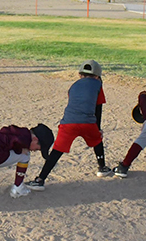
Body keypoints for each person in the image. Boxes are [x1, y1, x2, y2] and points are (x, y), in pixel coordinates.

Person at [26, 60, 112, 191]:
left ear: (79, 75)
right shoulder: (98, 85)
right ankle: (102, 168)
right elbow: (97, 109)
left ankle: (40, 180)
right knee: (97, 140)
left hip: (68, 123)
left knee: (57, 151)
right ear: (97, 76)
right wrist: (97, 128)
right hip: (88, 123)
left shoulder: (74, 86)